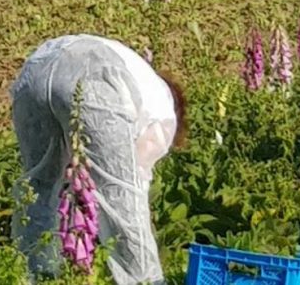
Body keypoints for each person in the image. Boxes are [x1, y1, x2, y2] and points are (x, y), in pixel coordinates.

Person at [9, 34, 188, 285]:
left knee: (39, 188)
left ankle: (38, 274)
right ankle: (145, 281)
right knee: (121, 196)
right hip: (94, 75)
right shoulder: (164, 112)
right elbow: (130, 182)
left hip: (35, 70)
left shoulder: (140, 75)